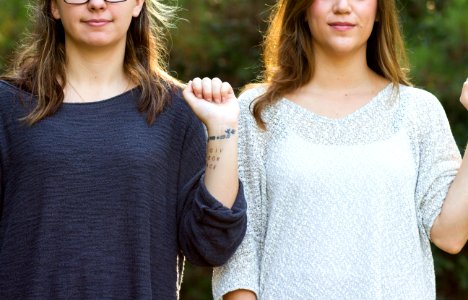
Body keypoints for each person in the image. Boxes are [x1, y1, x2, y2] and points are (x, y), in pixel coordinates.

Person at [207, 0, 468, 299]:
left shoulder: (418, 111)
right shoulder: (257, 113)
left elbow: (451, 234)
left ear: (379, 9)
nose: (343, 6)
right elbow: (239, 251)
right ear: (302, 8)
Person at [0, 0, 246, 299]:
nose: (97, 4)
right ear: (53, 6)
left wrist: (222, 130)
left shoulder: (178, 111)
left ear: (138, 4)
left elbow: (211, 246)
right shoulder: (7, 107)